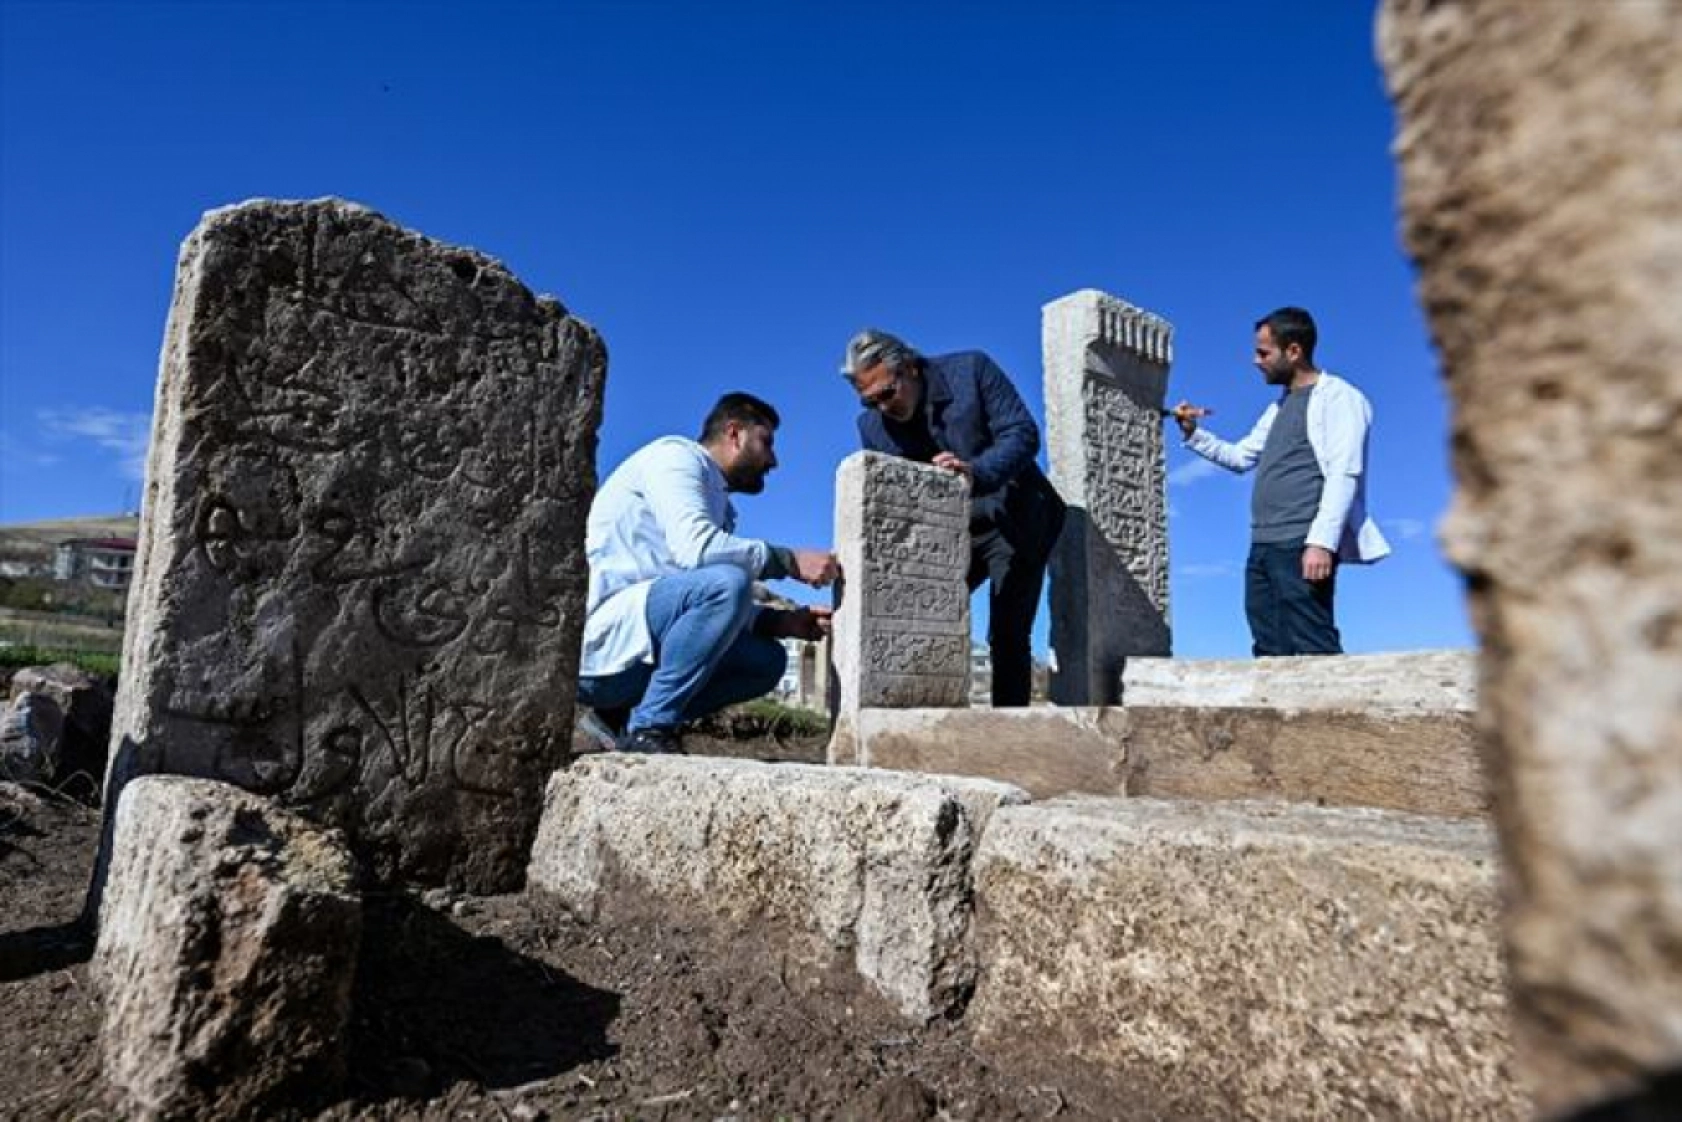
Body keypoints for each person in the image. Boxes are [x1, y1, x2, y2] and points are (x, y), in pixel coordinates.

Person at [578, 392, 839, 754]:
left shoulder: (720, 503)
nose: (773, 460)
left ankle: (618, 719)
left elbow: (700, 606)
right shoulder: (675, 458)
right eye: (766, 442)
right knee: (727, 582)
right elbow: (697, 551)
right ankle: (649, 729)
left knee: (766, 662)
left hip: (643, 649)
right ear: (735, 433)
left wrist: (777, 623)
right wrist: (789, 561)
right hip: (603, 648)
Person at [842, 329, 1065, 707]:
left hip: (1016, 516)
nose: (882, 408)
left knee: (1008, 630)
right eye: (870, 401)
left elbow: (1022, 434)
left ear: (910, 367)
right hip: (950, 531)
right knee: (919, 619)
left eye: (887, 393)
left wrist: (976, 471)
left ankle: (1008, 731)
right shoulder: (873, 428)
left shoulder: (972, 369)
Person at [1173, 307, 1389, 656]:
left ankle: (1330, 712)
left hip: (1302, 541)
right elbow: (1241, 457)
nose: (1255, 361)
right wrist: (1193, 433)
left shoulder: (1340, 398)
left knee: (1312, 641)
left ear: (1294, 351)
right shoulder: (1278, 408)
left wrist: (1321, 542)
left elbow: (1344, 474)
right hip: (1263, 543)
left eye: (1263, 352)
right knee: (1268, 644)